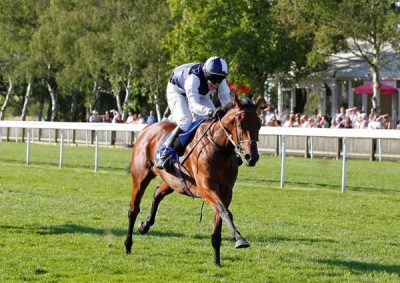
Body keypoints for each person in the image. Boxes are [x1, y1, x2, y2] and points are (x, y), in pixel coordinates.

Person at [155, 56, 232, 169]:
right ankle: (166, 151)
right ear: (206, 73)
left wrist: (228, 112)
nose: (216, 83)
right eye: (213, 79)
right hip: (178, 91)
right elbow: (194, 106)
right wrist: (210, 111)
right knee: (186, 120)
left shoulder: (220, 79)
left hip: (201, 94)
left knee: (214, 120)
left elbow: (227, 102)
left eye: (219, 80)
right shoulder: (193, 79)